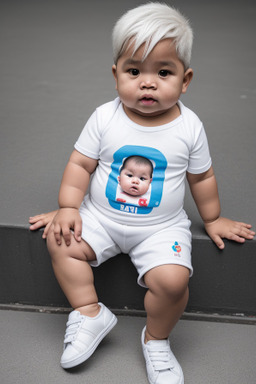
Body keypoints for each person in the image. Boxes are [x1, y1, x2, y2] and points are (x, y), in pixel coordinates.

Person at [29, 3, 255, 384]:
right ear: (116, 74)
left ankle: (156, 339)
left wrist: (213, 218)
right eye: (134, 71)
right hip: (100, 217)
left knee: (172, 282)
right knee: (61, 243)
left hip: (161, 227)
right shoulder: (105, 116)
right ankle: (89, 312)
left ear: (185, 80)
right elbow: (81, 165)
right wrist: (68, 207)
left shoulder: (189, 126)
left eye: (163, 72)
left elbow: (202, 177)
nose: (147, 82)